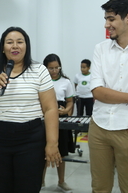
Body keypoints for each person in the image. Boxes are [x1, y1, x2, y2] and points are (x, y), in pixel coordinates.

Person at [0, 26, 62, 193]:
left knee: (28, 187)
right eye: (9, 42)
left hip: (31, 138)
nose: (15, 46)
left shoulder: (39, 70)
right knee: (0, 187)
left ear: (26, 47)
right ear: (3, 48)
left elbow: (50, 109)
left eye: (20, 42)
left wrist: (52, 143)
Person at [90, 0, 128, 192]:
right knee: (100, 188)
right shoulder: (100, 49)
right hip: (99, 128)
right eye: (106, 19)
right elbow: (97, 91)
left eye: (111, 19)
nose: (106, 24)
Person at [43, 53, 74, 193]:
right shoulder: (41, 81)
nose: (55, 71)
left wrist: (66, 111)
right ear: (45, 68)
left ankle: (61, 181)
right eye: (51, 68)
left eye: (57, 68)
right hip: (44, 118)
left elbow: (70, 102)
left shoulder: (66, 82)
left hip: (61, 119)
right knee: (42, 152)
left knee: (61, 152)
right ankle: (41, 181)